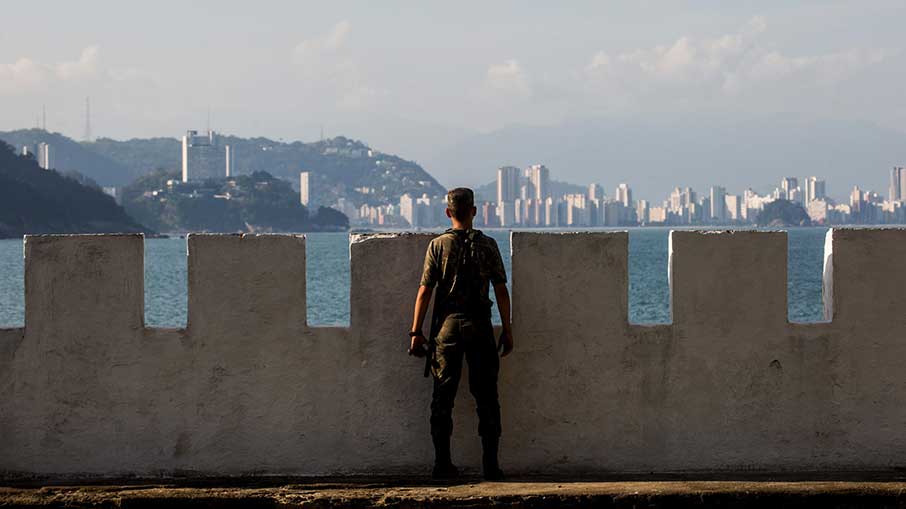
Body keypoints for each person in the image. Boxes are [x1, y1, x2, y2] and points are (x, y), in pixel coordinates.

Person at [408, 187, 514, 480]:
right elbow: (501, 290)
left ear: (448, 212)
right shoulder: (488, 245)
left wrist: (415, 332)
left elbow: (425, 291)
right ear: (474, 211)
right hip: (480, 327)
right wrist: (507, 329)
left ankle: (442, 465)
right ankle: (491, 467)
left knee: (443, 398)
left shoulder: (437, 246)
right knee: (487, 399)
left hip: (448, 328)